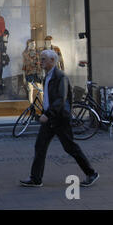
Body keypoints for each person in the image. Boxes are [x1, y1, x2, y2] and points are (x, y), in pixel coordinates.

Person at [20, 49, 99, 187]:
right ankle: (36, 178)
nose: (41, 61)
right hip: (50, 118)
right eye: (41, 58)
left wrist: (48, 114)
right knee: (40, 146)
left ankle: (91, 173)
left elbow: (60, 100)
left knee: (70, 147)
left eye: (44, 59)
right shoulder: (48, 76)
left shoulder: (60, 77)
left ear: (52, 60)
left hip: (60, 118)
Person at [22, 39, 43, 103]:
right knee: (30, 90)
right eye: (31, 44)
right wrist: (24, 77)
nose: (33, 45)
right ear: (28, 45)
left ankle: (44, 105)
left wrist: (42, 73)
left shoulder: (38, 52)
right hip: (29, 73)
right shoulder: (25, 54)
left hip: (37, 73)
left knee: (41, 90)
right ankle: (31, 107)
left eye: (34, 43)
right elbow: (24, 66)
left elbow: (41, 63)